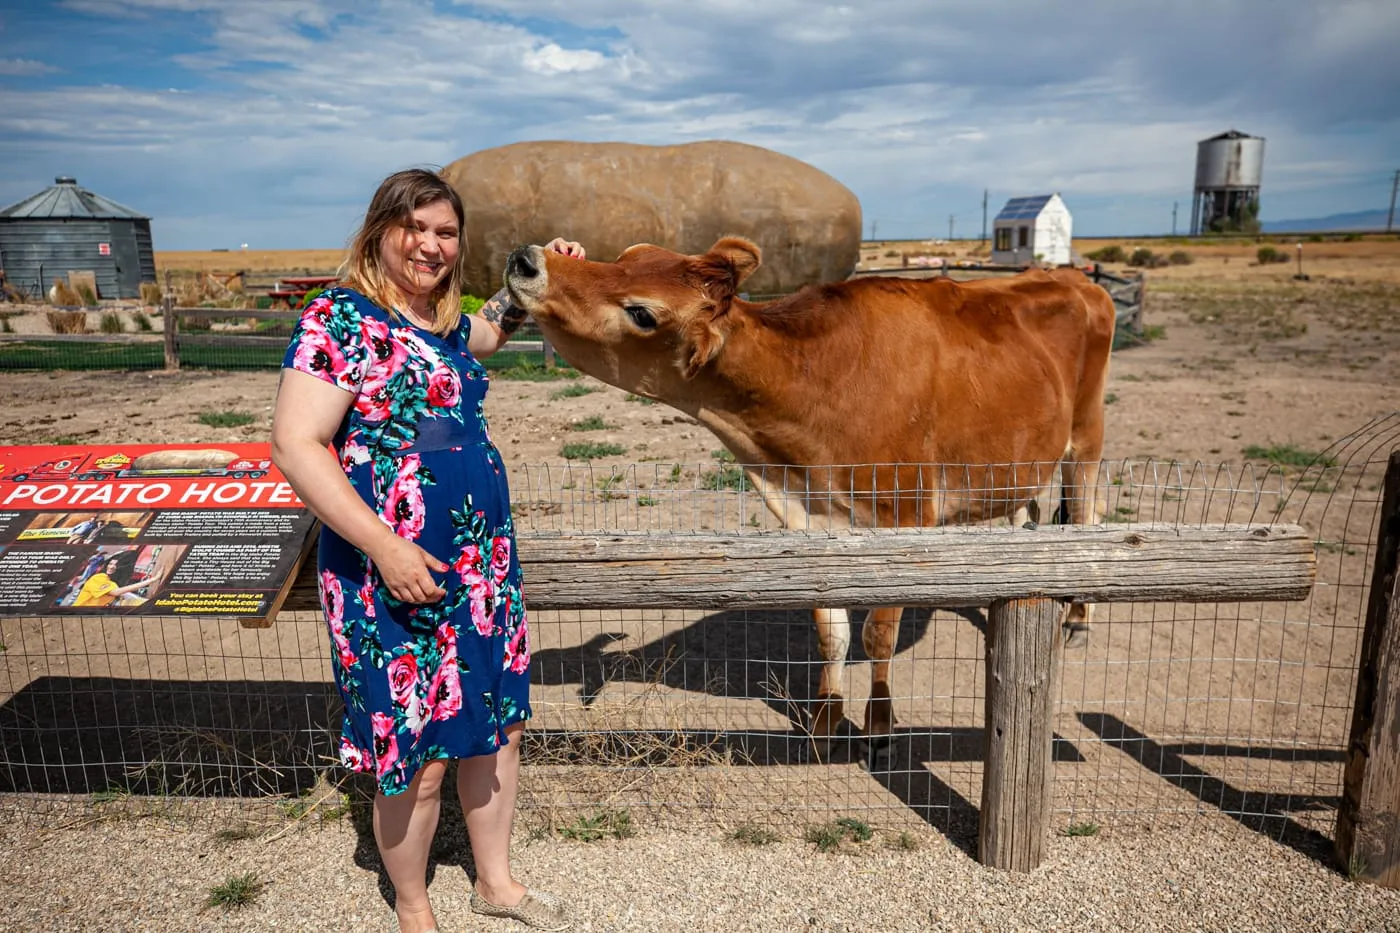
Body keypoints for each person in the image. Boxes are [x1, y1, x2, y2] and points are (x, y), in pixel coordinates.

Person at [270, 167, 583, 933]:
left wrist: (538, 269)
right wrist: (384, 546)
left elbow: (491, 329)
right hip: (389, 570)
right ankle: (414, 908)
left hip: (480, 566)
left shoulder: (439, 323)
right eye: (416, 228)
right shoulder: (338, 320)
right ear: (381, 229)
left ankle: (497, 883)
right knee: (419, 753)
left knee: (495, 725)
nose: (431, 245)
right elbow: (296, 441)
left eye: (446, 232)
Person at [71, 554, 152, 607]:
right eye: (110, 564)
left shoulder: (110, 580)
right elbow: (116, 592)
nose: (112, 567)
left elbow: (122, 593)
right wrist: (150, 581)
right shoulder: (99, 577)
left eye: (115, 565)